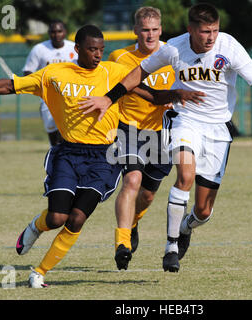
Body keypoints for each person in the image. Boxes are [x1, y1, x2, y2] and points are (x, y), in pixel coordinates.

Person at [0, 25, 204, 287]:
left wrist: (178, 93)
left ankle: (40, 272)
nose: (98, 54)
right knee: (56, 218)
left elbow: (152, 95)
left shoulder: (114, 72)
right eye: (92, 49)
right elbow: (10, 85)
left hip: (104, 158)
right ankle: (35, 227)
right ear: (77, 49)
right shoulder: (54, 74)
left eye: (101, 49)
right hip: (68, 153)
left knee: (77, 218)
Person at [78, 3, 252, 273]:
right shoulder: (174, 48)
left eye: (215, 31)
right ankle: (170, 248)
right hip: (185, 120)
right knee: (185, 176)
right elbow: (138, 73)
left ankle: (186, 226)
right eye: (205, 31)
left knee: (203, 211)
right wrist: (108, 99)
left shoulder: (228, 47)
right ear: (190, 30)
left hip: (218, 128)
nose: (211, 37)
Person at [107, 6, 176, 270]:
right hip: (129, 129)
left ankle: (133, 222)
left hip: (162, 133)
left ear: (161, 30)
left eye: (155, 30)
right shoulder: (120, 57)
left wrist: (175, 101)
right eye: (145, 30)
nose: (150, 35)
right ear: (135, 30)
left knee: (147, 196)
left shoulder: (172, 53)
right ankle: (122, 243)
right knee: (131, 181)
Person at [23, 20, 77, 146]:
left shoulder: (74, 48)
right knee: (51, 129)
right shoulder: (39, 49)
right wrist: (39, 87)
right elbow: (28, 71)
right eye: (53, 32)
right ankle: (54, 153)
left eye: (59, 31)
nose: (56, 34)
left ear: (65, 32)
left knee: (69, 131)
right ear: (49, 33)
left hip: (70, 95)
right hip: (48, 96)